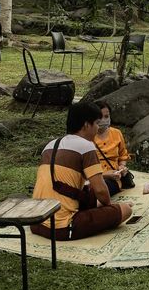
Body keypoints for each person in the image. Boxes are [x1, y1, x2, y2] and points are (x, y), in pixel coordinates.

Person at [30, 102, 133, 241]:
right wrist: (110, 208)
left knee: (89, 195)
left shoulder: (50, 145)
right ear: (86, 125)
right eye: (96, 123)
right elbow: (101, 191)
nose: (98, 128)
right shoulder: (86, 146)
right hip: (61, 227)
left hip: (37, 222)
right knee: (126, 210)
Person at [93, 101, 132, 196]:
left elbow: (123, 155)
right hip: (96, 178)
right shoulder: (88, 137)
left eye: (107, 116)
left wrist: (122, 167)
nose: (104, 120)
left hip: (116, 176)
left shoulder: (117, 133)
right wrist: (105, 174)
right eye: (101, 117)